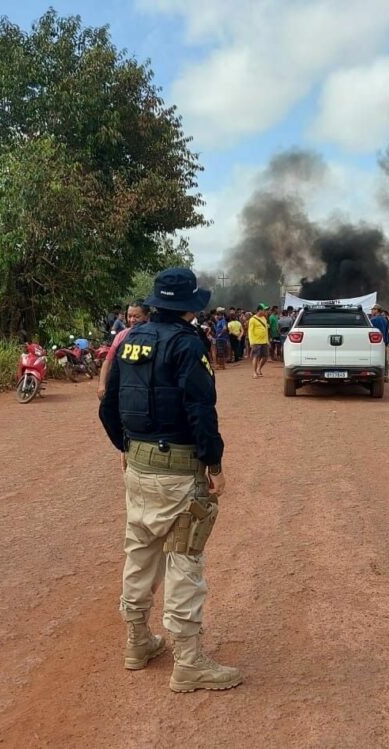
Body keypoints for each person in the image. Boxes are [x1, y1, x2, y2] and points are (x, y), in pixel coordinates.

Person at [98, 267, 241, 694]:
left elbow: (108, 406)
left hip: (138, 467)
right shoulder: (187, 344)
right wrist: (214, 465)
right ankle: (188, 661)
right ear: (189, 307)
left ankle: (137, 643)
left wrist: (126, 449)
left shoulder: (130, 341)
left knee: (139, 551)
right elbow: (200, 410)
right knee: (183, 560)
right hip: (178, 470)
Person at [98, 301, 150, 400]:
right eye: (129, 316)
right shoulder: (121, 336)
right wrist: (102, 386)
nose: (132, 320)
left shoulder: (155, 336)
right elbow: (108, 361)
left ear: (147, 316)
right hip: (125, 387)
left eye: (136, 316)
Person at [247, 304, 270, 379]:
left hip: (264, 341)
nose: (265, 311)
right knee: (255, 357)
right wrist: (251, 342)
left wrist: (267, 340)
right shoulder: (252, 319)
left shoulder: (264, 318)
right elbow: (250, 331)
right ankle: (254, 372)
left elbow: (266, 330)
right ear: (259, 310)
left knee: (265, 357)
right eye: (264, 310)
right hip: (256, 341)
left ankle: (259, 368)